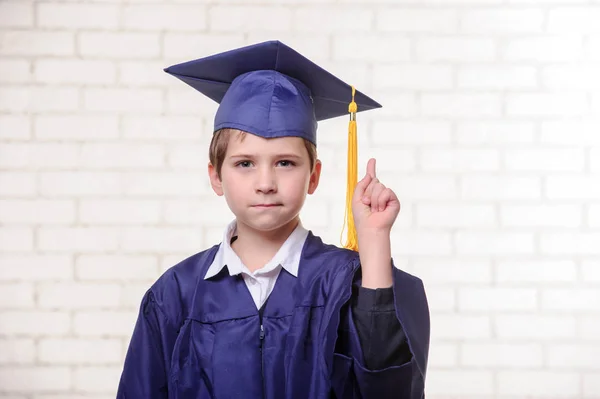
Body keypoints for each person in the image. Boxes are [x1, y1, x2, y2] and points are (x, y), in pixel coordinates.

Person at [117, 40, 430, 399]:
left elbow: (390, 392)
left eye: (285, 162)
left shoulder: (351, 285)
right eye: (244, 163)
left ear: (313, 176)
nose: (265, 184)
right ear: (216, 176)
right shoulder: (175, 296)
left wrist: (374, 243)